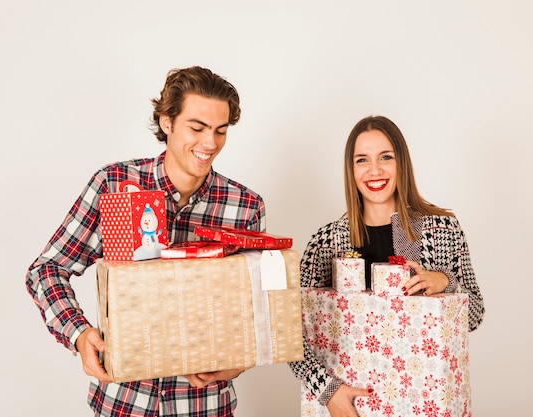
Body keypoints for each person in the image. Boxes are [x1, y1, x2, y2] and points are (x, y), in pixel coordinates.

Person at [25, 66, 265, 417]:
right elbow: (46, 270)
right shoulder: (114, 184)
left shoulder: (244, 206)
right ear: (166, 121)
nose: (210, 143)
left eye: (220, 130)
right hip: (125, 402)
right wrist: (79, 334)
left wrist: (241, 361)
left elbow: (254, 308)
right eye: (197, 128)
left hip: (203, 405)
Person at [288, 115, 484, 417]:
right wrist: (327, 391)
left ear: (401, 163)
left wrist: (446, 283)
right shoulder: (327, 241)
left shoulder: (441, 229)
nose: (374, 170)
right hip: (348, 405)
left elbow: (474, 316)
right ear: (350, 169)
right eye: (362, 160)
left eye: (386, 157)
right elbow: (289, 330)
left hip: (422, 401)